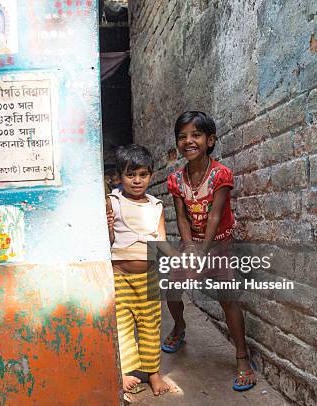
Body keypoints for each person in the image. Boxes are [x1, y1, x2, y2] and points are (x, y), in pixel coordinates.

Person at [162, 111, 256, 391]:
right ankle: (179, 327)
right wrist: (190, 248)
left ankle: (242, 356)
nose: (188, 141)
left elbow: (215, 217)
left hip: (219, 241)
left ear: (210, 140)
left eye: (196, 135)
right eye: (182, 137)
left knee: (228, 297)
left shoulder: (220, 175)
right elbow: (181, 217)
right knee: (172, 286)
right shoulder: (176, 180)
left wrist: (204, 252)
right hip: (194, 240)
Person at [106, 145, 171, 397]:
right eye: (130, 174)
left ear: (151, 175)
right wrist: (109, 227)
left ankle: (153, 373)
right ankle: (126, 371)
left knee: (150, 324)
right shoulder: (113, 201)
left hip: (149, 277)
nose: (136, 180)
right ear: (119, 177)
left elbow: (162, 241)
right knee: (122, 324)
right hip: (120, 275)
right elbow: (108, 240)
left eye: (142, 174)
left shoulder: (156, 206)